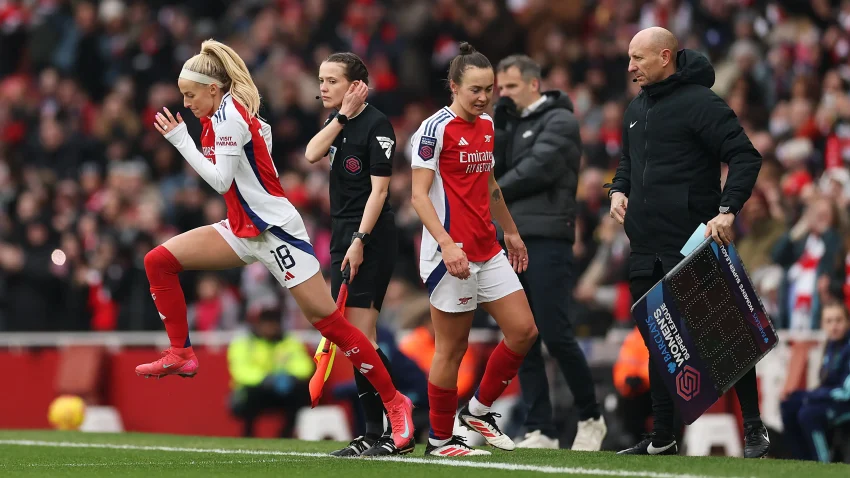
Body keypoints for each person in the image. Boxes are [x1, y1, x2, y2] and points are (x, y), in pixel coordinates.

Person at [135, 39, 414, 451]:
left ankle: (396, 402)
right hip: (242, 227)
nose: (186, 103)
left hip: (275, 231)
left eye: (190, 95)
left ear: (213, 89)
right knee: (158, 260)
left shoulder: (228, 115)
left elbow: (219, 181)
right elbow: (254, 150)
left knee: (334, 326)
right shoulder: (224, 113)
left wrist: (180, 140)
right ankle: (181, 352)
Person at [604, 27, 768, 457]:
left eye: (638, 59)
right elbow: (627, 163)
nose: (630, 67)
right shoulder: (635, 108)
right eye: (628, 58)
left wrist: (728, 209)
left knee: (725, 334)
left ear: (664, 56)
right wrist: (616, 190)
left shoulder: (702, 104)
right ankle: (662, 436)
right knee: (658, 341)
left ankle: (753, 429)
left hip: (693, 241)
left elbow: (745, 156)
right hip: (645, 244)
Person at [409, 42, 539, 457]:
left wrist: (512, 233)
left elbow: (489, 184)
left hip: (488, 248)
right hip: (452, 255)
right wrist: (447, 245)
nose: (484, 98)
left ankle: (479, 410)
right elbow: (418, 196)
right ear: (453, 87)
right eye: (475, 90)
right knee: (452, 349)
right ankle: (440, 440)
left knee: (523, 331)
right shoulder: (433, 129)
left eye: (489, 89)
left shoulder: (486, 125)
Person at [492, 54, 606, 451]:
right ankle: (540, 427)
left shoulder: (561, 120)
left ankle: (591, 418)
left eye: (509, 87)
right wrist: (503, 123)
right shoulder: (510, 123)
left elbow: (537, 169)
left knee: (556, 334)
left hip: (547, 239)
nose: (502, 95)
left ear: (533, 84)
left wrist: (490, 192)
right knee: (520, 334)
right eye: (498, 89)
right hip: (511, 239)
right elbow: (494, 161)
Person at [304, 52, 406, 456]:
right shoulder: (339, 123)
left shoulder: (378, 125)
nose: (323, 88)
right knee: (357, 340)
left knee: (359, 337)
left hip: (371, 236)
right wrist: (341, 117)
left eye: (331, 81)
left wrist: (360, 240)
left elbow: (380, 191)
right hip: (343, 234)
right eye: (321, 80)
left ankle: (387, 428)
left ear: (354, 85)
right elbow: (312, 154)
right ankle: (375, 433)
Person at [227, 305, 313, 438]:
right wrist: (266, 379)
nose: (270, 327)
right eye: (266, 323)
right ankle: (248, 434)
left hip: (281, 391)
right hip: (253, 393)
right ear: (258, 324)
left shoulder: (289, 341)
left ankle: (286, 434)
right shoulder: (245, 342)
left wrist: (289, 377)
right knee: (251, 393)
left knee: (301, 391)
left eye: (274, 323)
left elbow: (304, 366)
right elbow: (240, 371)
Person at [781, 301, 850, 463]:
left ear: (847, 322)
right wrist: (808, 395)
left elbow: (846, 392)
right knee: (789, 403)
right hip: (830, 398)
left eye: (838, 320)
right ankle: (801, 460)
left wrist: (814, 395)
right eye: (829, 321)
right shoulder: (831, 345)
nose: (834, 326)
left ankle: (821, 462)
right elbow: (825, 382)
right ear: (822, 324)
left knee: (808, 414)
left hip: (844, 402)